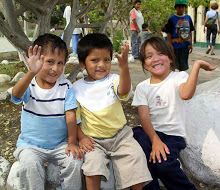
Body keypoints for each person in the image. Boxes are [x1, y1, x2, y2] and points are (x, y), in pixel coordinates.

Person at [132, 36, 217, 190]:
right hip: (150, 132)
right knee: (137, 140)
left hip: (172, 136)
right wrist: (155, 140)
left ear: (170, 58)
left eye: (160, 53)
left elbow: (186, 94)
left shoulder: (178, 77)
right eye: (149, 56)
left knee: (162, 164)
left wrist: (196, 66)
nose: (156, 59)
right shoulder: (142, 87)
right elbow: (144, 117)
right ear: (144, 64)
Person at [72, 33, 152, 190]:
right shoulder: (76, 89)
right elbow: (74, 119)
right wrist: (81, 138)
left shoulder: (113, 79)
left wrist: (124, 69)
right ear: (82, 63)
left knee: (135, 157)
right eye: (95, 60)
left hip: (121, 136)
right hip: (93, 140)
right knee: (93, 167)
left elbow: (123, 91)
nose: (101, 65)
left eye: (106, 60)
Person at [11, 33, 84, 190]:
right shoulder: (29, 84)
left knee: (75, 162)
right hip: (30, 145)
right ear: (38, 61)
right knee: (30, 165)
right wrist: (31, 72)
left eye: (60, 63)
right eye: (50, 62)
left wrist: (72, 143)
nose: (55, 68)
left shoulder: (65, 86)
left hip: (60, 144)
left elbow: (71, 117)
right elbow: (15, 96)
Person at [167, 0, 194, 71]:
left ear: (185, 8)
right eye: (179, 7)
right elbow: (169, 33)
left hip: (185, 45)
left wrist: (191, 43)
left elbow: (190, 31)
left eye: (182, 7)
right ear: (176, 8)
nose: (181, 9)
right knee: (174, 64)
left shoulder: (188, 18)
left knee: (183, 65)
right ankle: (173, 79)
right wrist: (170, 45)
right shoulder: (172, 19)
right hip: (175, 45)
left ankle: (182, 78)